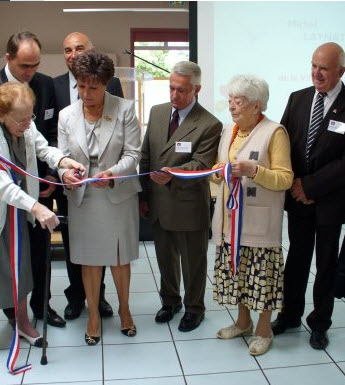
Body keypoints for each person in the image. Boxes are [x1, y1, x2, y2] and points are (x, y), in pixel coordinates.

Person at [58, 51, 141, 345]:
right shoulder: (66, 115)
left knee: (119, 258)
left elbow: (133, 154)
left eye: (93, 87)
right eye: (81, 86)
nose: (86, 93)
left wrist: (114, 173)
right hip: (84, 198)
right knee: (89, 260)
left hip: (116, 194)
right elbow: (61, 157)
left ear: (106, 84)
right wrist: (65, 173)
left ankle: (125, 309)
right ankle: (93, 314)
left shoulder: (124, 110)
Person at [212, 74, 293, 356]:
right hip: (229, 219)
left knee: (262, 276)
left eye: (239, 101)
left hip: (260, 222)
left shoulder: (275, 132)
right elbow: (222, 167)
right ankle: (243, 322)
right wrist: (216, 173)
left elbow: (285, 179)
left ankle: (263, 329)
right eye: (231, 100)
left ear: (257, 106)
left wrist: (254, 171)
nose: (232, 106)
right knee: (238, 274)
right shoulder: (229, 130)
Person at [271, 42, 345, 350]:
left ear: (340, 71)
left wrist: (310, 186)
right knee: (297, 258)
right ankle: (289, 315)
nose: (316, 72)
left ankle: (319, 323)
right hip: (298, 199)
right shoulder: (298, 98)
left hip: (330, 201)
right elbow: (283, 144)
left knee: (325, 263)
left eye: (324, 68)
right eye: (314, 65)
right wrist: (294, 185)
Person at [140, 61, 222, 332]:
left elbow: (202, 164)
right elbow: (146, 155)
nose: (174, 95)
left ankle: (194, 308)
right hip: (159, 203)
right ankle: (170, 301)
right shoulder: (158, 112)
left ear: (196, 89)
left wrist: (173, 173)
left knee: (193, 263)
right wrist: (144, 195)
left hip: (188, 206)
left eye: (181, 90)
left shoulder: (209, 123)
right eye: (171, 88)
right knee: (165, 259)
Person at [0, 81, 84, 346]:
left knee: (21, 268)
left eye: (31, 117)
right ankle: (17, 319)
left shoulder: (26, 123)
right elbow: (2, 184)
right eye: (22, 119)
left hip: (20, 211)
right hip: (6, 208)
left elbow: (42, 147)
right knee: (6, 270)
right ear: (1, 115)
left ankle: (22, 322)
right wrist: (36, 207)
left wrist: (62, 161)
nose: (28, 124)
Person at [54, 32, 124, 321]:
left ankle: (100, 296)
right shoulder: (53, 85)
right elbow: (49, 135)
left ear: (91, 50)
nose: (73, 53)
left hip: (105, 180)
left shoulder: (114, 84)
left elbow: (116, 133)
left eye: (79, 48)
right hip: (69, 179)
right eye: (68, 49)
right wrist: (57, 172)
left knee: (104, 242)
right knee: (74, 242)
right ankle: (76, 296)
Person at [0, 31, 65, 327]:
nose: (30, 73)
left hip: (33, 189)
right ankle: (15, 315)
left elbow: (41, 140)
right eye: (24, 66)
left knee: (34, 256)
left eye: (35, 66)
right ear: (8, 58)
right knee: (8, 263)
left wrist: (60, 164)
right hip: (8, 197)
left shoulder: (40, 90)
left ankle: (36, 309)